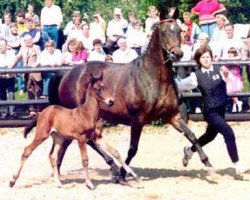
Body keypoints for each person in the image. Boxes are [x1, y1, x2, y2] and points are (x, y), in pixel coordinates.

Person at [176, 46, 247, 175]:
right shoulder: (196, 75)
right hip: (210, 112)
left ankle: (189, 151)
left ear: (212, 57)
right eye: (203, 57)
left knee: (210, 136)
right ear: (198, 60)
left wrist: (226, 74)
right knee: (228, 133)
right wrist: (168, 81)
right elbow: (181, 85)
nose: (206, 59)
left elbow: (230, 80)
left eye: (208, 56)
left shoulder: (219, 69)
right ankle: (237, 164)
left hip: (221, 109)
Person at [13, 34, 42, 118]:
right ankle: (32, 110)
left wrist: (36, 64)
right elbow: (17, 57)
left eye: (29, 39)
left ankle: (39, 109)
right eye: (26, 40)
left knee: (38, 89)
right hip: (27, 73)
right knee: (29, 90)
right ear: (24, 41)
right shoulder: (22, 49)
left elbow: (40, 56)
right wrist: (11, 65)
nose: (28, 41)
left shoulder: (36, 47)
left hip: (36, 71)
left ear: (32, 40)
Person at [0, 38, 17, 118]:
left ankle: (12, 112)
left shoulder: (12, 52)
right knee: (1, 94)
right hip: (0, 76)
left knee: (11, 93)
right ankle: (4, 113)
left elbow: (13, 61)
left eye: (2, 45)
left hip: (10, 75)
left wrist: (8, 70)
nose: (1, 47)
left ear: (6, 46)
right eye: (0, 45)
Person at [225, 47, 243, 112]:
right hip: (229, 79)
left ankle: (235, 107)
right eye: (229, 53)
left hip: (236, 78)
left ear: (235, 54)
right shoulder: (226, 59)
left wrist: (234, 58)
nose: (230, 54)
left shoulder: (237, 59)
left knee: (234, 93)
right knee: (230, 91)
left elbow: (240, 57)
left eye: (232, 53)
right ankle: (238, 102)